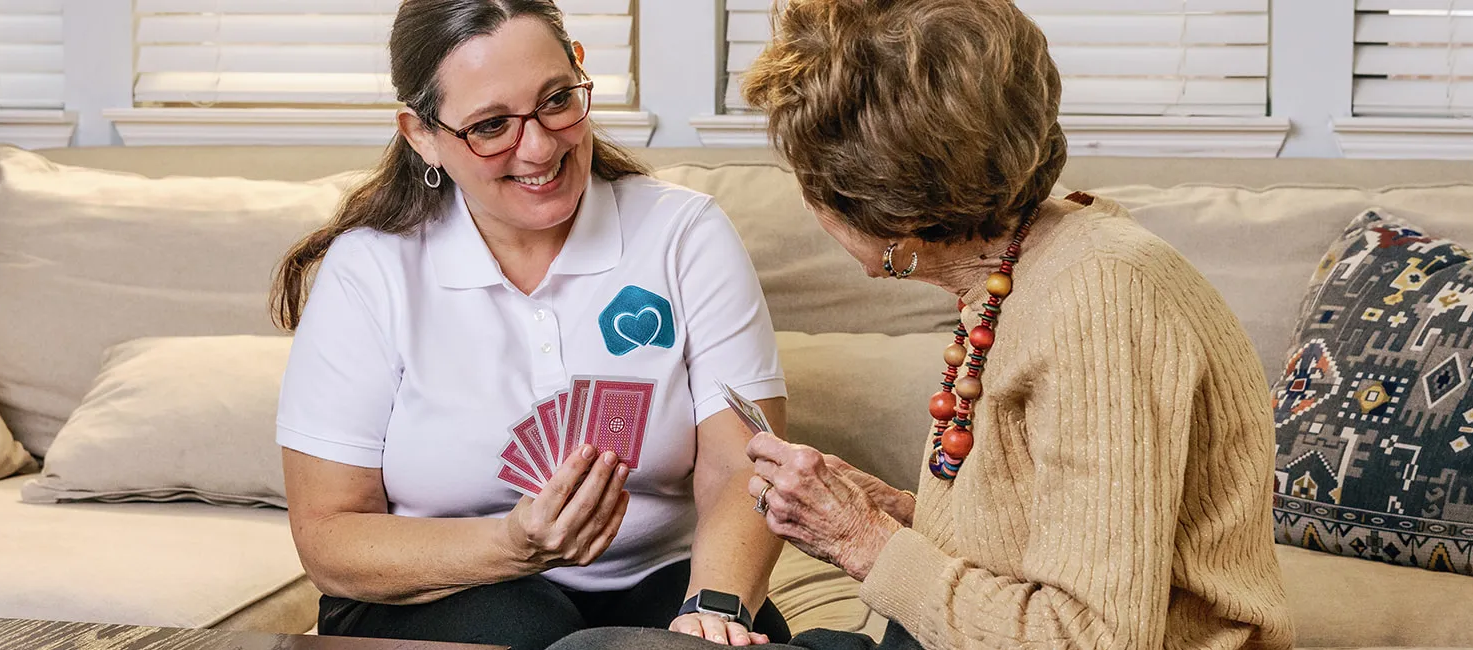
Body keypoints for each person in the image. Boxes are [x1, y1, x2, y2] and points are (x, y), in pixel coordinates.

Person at [552, 0, 1296, 649]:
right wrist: (888, 510)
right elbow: (1040, 542)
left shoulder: (1102, 301)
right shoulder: (1025, 266)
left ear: (894, 219)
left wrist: (863, 542)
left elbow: (1091, 636)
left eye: (810, 178)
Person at [269, 1, 793, 648]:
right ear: (422, 134)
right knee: (523, 627)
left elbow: (742, 465)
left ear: (579, 69)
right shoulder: (371, 269)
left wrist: (717, 609)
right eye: (491, 126)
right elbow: (328, 536)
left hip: (659, 577)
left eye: (556, 100)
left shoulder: (684, 236)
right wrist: (512, 545)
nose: (541, 146)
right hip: (434, 592)